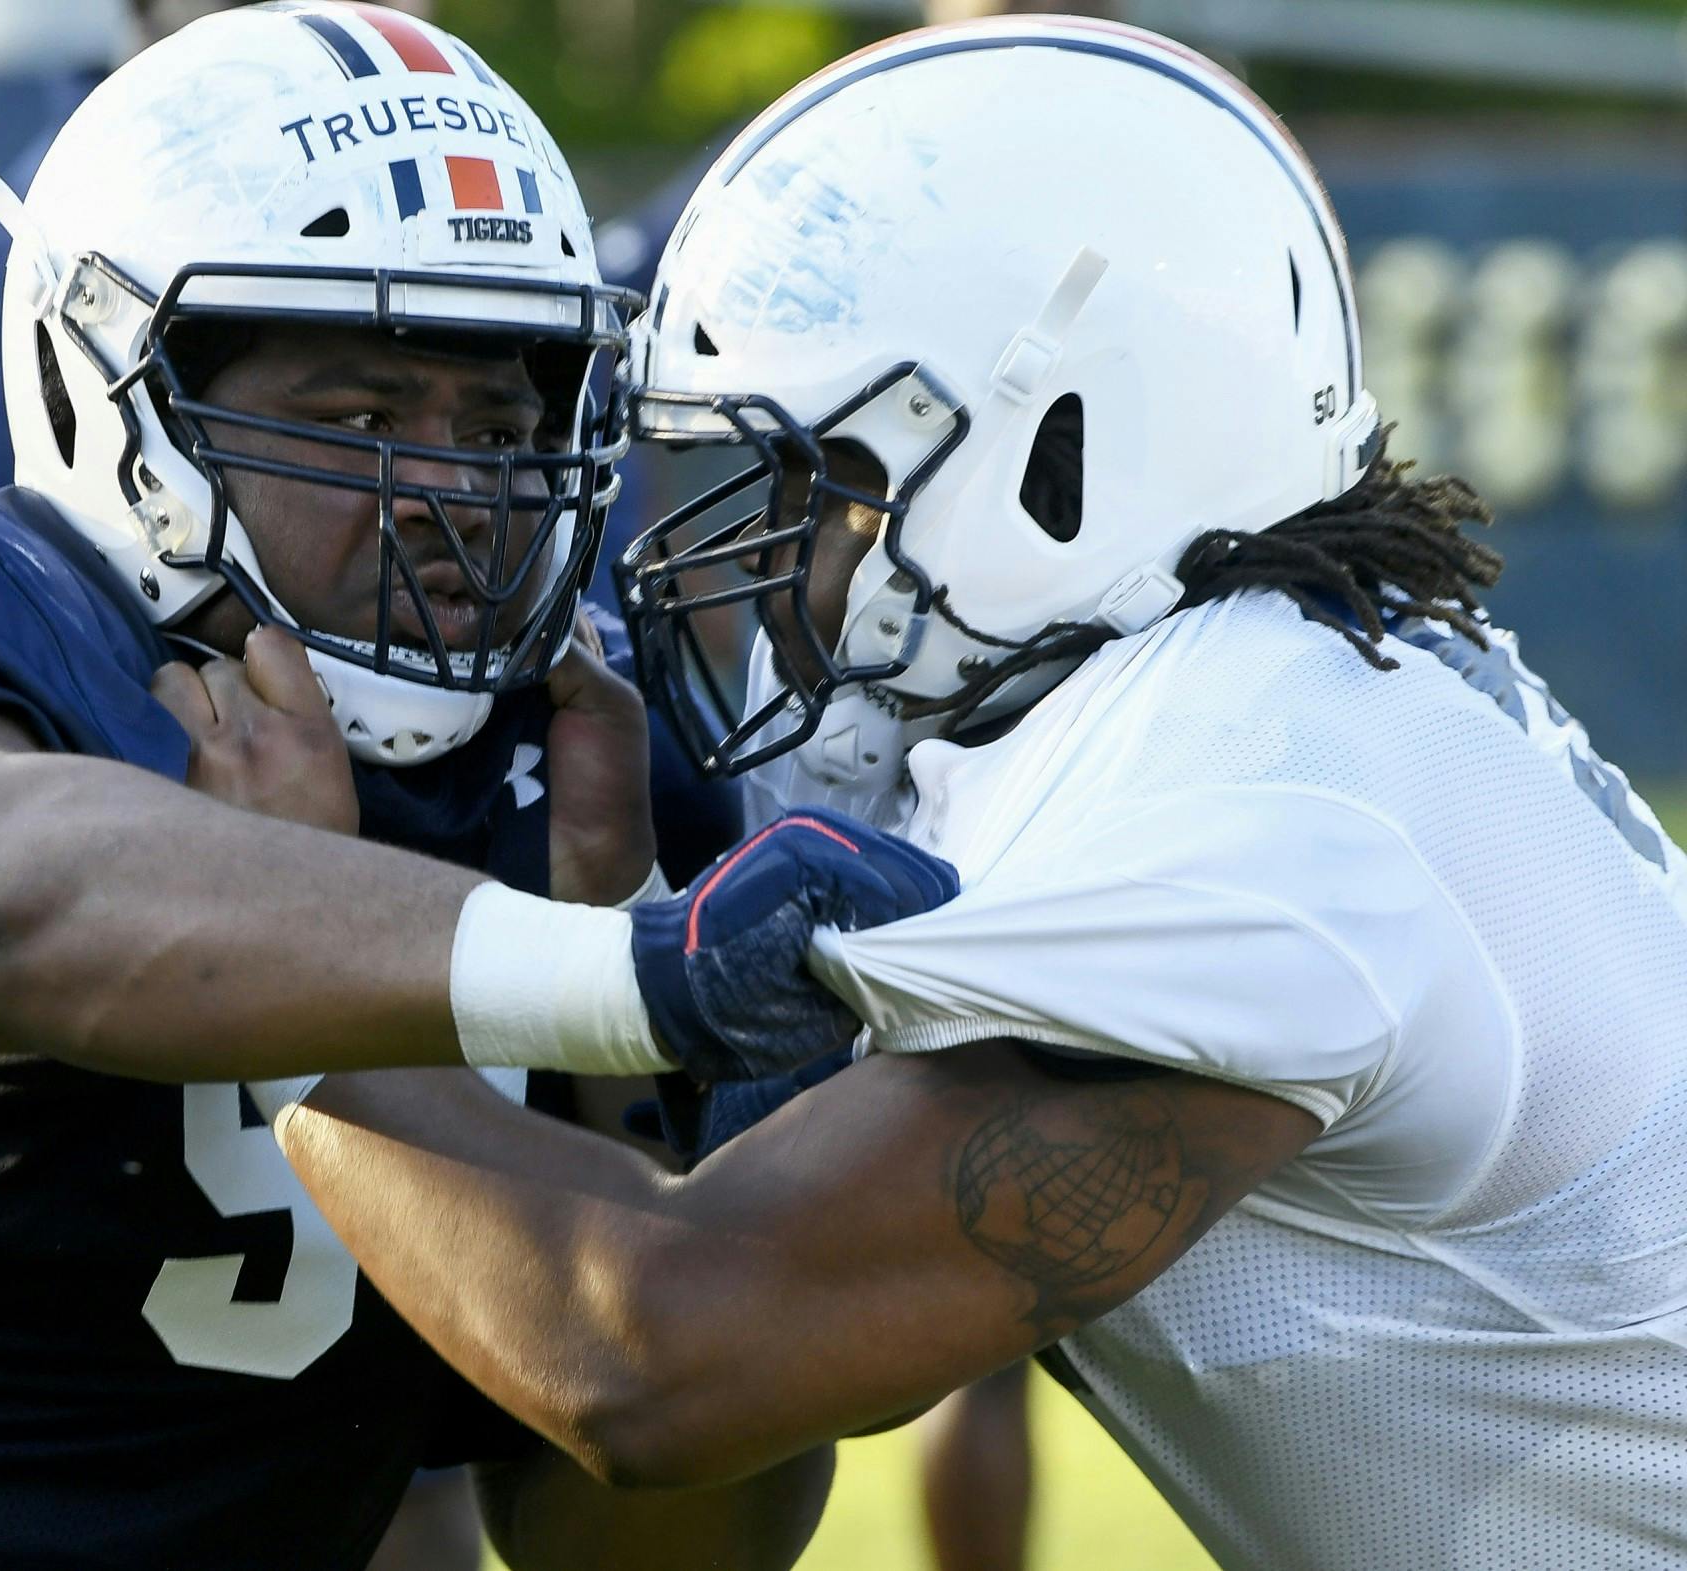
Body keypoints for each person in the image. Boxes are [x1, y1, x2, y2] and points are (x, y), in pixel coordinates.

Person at [265, 17, 1687, 1571]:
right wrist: (606, 931)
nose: (752, 568)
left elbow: (663, 1359)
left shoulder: (1243, 804)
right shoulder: (1248, 706)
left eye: (815, 486)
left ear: (1050, 456)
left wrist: (273, 954)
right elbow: (668, 1545)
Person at [0, 7, 959, 1567]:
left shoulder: (581, 770)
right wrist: (610, 976)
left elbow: (650, 1511)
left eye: (503, 424)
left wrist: (661, 1092)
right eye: (360, 419)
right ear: (120, 407)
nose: (457, 497)